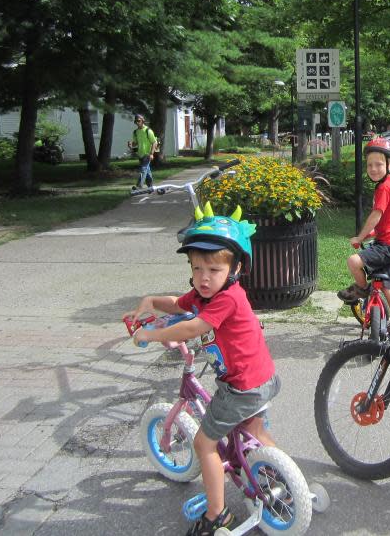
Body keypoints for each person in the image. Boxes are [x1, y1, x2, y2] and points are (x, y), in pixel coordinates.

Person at [128, 205, 279, 536]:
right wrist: (151, 300)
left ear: (235, 268)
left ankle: (217, 514)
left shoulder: (227, 299)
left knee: (204, 444)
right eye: (197, 268)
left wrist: (150, 334)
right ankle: (279, 476)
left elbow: (190, 328)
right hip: (263, 378)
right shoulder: (205, 293)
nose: (204, 277)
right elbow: (180, 303)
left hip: (241, 387)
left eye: (213, 268)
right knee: (255, 431)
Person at [337, 137, 390, 332]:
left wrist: (360, 237)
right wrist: (373, 233)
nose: (373, 168)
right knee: (388, 288)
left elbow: (376, 215)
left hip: (388, 245)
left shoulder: (384, 188)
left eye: (379, 164)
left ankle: (362, 289)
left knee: (353, 261)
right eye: (370, 165)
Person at [128, 114, 158, 189]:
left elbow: (154, 142)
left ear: (142, 121)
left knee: (143, 170)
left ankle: (139, 186)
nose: (137, 123)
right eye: (136, 121)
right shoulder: (135, 132)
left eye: (139, 121)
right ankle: (150, 186)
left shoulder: (148, 131)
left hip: (147, 154)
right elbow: (136, 143)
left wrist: (151, 154)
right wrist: (131, 144)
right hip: (140, 154)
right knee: (147, 171)